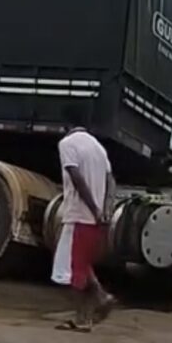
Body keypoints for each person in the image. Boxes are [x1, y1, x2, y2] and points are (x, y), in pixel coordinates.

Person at [51, 127, 115, 332]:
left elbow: (76, 177)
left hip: (79, 215)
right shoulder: (98, 148)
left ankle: (84, 318)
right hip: (92, 220)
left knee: (73, 270)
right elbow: (111, 181)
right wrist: (106, 210)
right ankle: (100, 299)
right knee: (82, 266)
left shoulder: (67, 144)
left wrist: (94, 209)